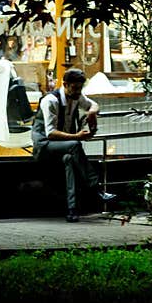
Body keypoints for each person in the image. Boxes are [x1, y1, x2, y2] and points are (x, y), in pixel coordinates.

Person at [31, 68, 115, 222]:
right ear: (65, 85)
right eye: (75, 88)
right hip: (44, 147)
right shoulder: (51, 101)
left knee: (70, 159)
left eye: (80, 88)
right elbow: (50, 133)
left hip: (63, 147)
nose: (78, 92)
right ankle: (96, 187)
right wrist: (76, 136)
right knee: (75, 146)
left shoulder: (76, 96)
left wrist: (91, 113)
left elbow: (93, 104)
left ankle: (72, 210)